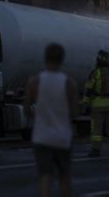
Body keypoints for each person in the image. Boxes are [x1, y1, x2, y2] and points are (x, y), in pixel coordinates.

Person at [25, 43, 78, 197]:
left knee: (45, 176)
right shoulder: (69, 83)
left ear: (45, 58)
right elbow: (75, 112)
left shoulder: (34, 82)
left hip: (41, 137)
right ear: (62, 59)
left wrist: (39, 116)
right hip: (62, 137)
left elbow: (27, 108)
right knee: (64, 176)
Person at [83, 50, 109, 157]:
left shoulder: (95, 73)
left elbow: (89, 89)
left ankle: (96, 150)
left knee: (96, 129)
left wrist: (85, 103)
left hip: (98, 104)